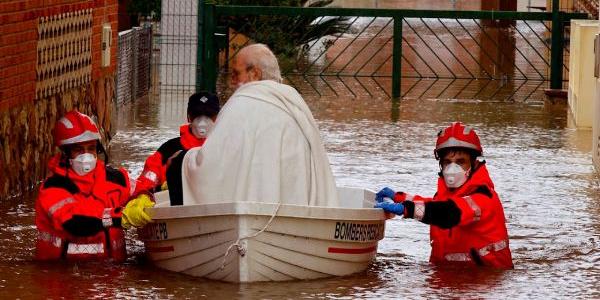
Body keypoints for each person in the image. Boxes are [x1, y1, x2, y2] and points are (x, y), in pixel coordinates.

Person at [167, 43, 338, 207]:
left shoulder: (242, 102)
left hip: (248, 213)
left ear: (254, 74)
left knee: (177, 165)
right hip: (295, 213)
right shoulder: (296, 103)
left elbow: (211, 165)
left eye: (235, 74)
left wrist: (183, 160)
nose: (232, 82)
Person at [374, 122, 513, 269]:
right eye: (447, 162)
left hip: (483, 280)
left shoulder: (484, 197)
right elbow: (434, 204)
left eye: (460, 162)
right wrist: (399, 197)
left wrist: (406, 209)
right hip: (447, 278)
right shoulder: (447, 195)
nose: (453, 168)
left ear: (474, 163)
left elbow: (449, 212)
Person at [35, 110, 153, 261]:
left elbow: (142, 189)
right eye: (78, 149)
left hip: (113, 276)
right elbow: (75, 223)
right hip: (65, 275)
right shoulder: (53, 188)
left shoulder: (116, 178)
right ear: (65, 153)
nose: (87, 156)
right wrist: (120, 217)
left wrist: (143, 198)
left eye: (91, 148)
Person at [134, 91, 220, 195]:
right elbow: (148, 178)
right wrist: (146, 192)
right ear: (189, 117)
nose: (203, 121)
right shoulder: (169, 149)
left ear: (218, 118)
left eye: (209, 115)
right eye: (197, 115)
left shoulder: (224, 147)